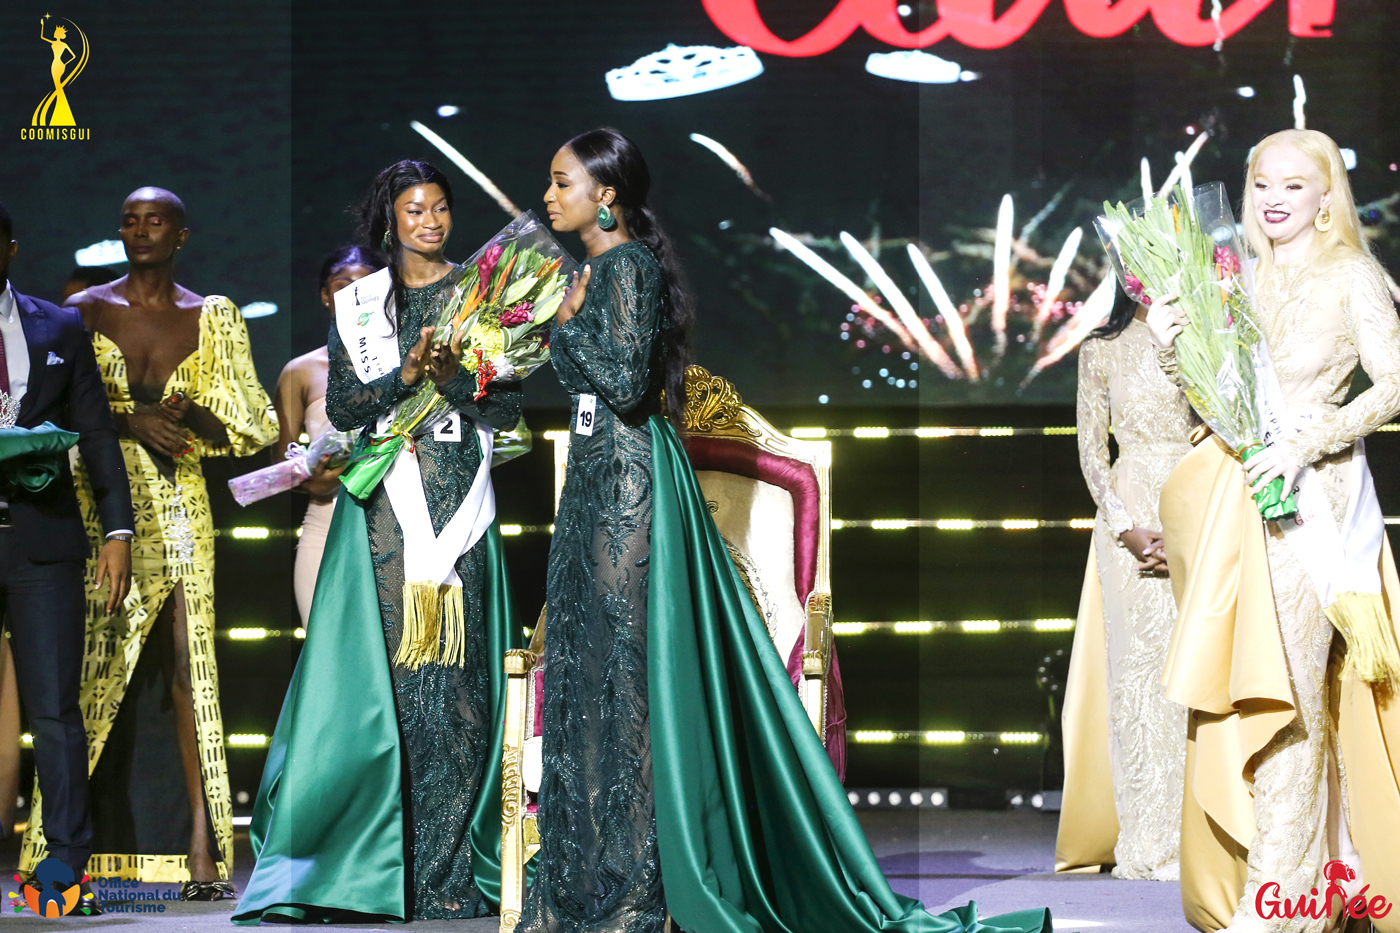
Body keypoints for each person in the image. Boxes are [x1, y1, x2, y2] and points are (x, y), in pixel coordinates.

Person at [518, 128, 1052, 933]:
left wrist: (561, 323)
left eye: (563, 183)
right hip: (596, 483)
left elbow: (626, 381)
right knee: (591, 683)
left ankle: (636, 888)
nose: (550, 197)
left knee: (624, 686)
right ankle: (591, 878)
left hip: (628, 484)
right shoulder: (595, 272)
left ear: (609, 195)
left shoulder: (625, 268)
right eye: (551, 184)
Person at [235, 161, 524, 923]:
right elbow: (354, 401)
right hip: (389, 514)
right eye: (412, 210)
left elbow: (510, 408)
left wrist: (461, 377)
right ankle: (380, 868)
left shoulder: (484, 292)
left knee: (460, 695)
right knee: (392, 692)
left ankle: (454, 867)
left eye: (438, 209)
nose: (428, 222)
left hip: (464, 505)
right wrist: (408, 369)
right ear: (389, 220)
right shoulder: (361, 303)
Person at [1149, 129, 1400, 932]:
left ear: (1328, 195)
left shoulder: (1353, 274)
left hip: (1313, 507)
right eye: (1262, 183)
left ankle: (1281, 904)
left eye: (1295, 184)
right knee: (1241, 691)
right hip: (1236, 501)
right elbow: (1211, 400)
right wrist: (1171, 350)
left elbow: (1394, 385)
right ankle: (1305, 884)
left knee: (1286, 693)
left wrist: (1305, 438)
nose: (1275, 197)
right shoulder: (1234, 283)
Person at [20, 187, 277, 899]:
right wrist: (130, 420)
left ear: (181, 234)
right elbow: (54, 413)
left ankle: (202, 848)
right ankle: (61, 852)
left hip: (183, 505)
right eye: (128, 219)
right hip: (100, 503)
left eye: (154, 219)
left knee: (190, 667)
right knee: (86, 676)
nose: (139, 230)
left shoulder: (212, 315)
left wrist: (193, 411)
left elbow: (250, 429)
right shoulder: (85, 311)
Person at [0, 198, 134, 913]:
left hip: (42, 538)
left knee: (54, 711)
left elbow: (98, 432)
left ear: (11, 248)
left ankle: (62, 874)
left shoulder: (59, 325)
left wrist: (118, 531)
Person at [1054, 291, 1193, 881]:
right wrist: (1124, 525)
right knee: (1138, 678)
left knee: (1198, 673)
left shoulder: (1208, 338)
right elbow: (1091, 448)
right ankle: (1151, 840)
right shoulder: (1101, 349)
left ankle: (1207, 841)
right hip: (1130, 508)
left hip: (1200, 500)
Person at [272, 245, 384, 626]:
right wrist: (312, 480)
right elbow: (280, 464)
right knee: (325, 651)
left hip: (392, 525)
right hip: (325, 524)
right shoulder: (300, 371)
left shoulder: (407, 363)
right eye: (342, 285)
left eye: (366, 285)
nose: (354, 294)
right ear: (325, 296)